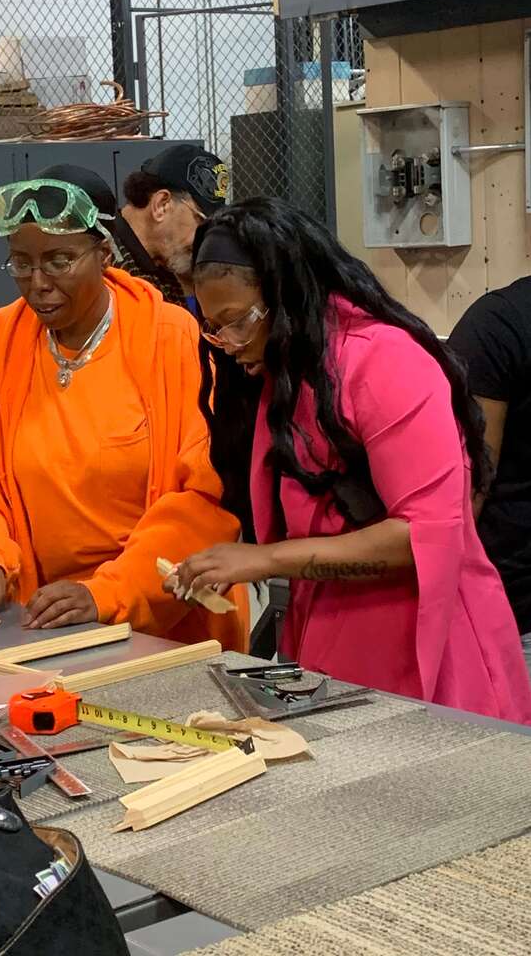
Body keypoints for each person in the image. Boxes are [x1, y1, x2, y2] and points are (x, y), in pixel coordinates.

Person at [169, 200, 531, 723]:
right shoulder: (287, 370)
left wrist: (266, 561)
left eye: (239, 320)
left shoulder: (383, 360)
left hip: (422, 644)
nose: (226, 343)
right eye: (213, 326)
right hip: (332, 634)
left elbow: (425, 534)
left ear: (289, 296)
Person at [0, 177, 248, 650]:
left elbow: (206, 495)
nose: (39, 284)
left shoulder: (171, 339)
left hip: (168, 624)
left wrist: (109, 592)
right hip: (45, 621)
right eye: (22, 263)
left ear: (105, 256)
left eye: (59, 262)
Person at [448, 276, 531, 675]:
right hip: (514, 611)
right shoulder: (501, 324)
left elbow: (465, 495)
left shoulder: (497, 322)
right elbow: (468, 485)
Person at [114, 145, 229, 309]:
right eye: (202, 222)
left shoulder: (163, 266)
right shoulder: (106, 264)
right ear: (162, 205)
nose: (205, 238)